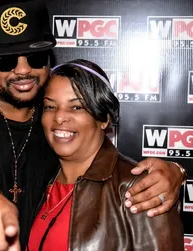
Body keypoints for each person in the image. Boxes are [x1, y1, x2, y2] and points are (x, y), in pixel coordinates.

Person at [0, 0, 186, 251]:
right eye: (6, 60)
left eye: (34, 56)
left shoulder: (51, 127)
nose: (23, 70)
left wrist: (175, 172)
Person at [27, 59, 184, 251]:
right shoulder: (41, 177)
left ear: (103, 119)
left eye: (76, 107)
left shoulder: (139, 188)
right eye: (50, 106)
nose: (59, 117)